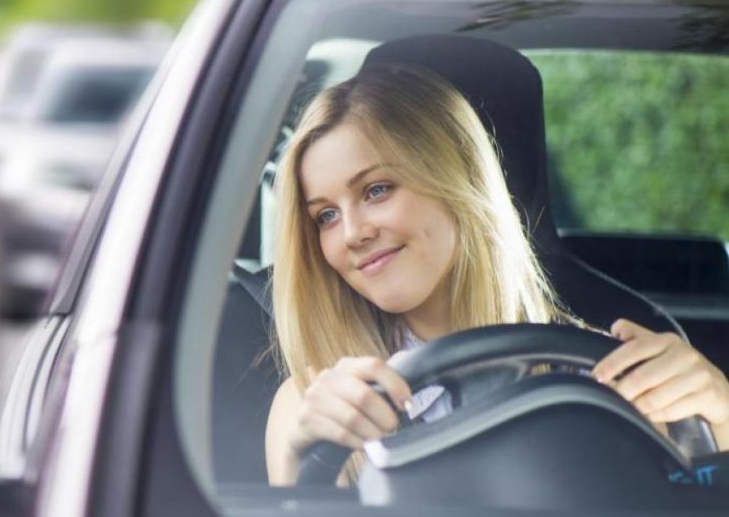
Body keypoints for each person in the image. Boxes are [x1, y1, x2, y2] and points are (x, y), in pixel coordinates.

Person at [263, 63, 729, 486]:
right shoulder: (312, 406)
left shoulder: (618, 378)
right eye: (325, 216)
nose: (351, 234)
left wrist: (722, 418)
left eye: (376, 190)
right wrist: (300, 467)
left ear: (460, 183)